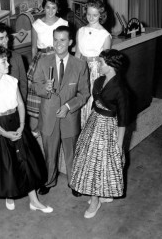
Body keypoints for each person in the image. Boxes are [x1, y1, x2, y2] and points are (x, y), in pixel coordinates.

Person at [0, 46, 53, 213]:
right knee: (7, 163)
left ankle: (34, 201)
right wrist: (4, 132)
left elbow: (21, 104)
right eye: (4, 61)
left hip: (16, 122)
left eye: (6, 60)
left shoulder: (11, 81)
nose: (8, 64)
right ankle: (10, 193)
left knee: (27, 161)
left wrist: (23, 125)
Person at [70, 49, 130, 219]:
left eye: (101, 62)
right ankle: (101, 194)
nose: (98, 65)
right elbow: (95, 105)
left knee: (99, 164)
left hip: (109, 127)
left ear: (111, 66)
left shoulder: (120, 89)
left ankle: (95, 200)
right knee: (89, 160)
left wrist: (118, 144)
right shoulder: (98, 81)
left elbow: (123, 120)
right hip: (94, 122)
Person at [33, 25, 90, 196]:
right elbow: (36, 86)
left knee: (71, 151)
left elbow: (84, 93)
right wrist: (45, 88)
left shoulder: (80, 65)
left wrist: (68, 107)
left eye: (63, 40)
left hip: (69, 117)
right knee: (49, 152)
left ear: (70, 42)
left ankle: (74, 183)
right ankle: (48, 180)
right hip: (48, 116)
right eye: (56, 40)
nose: (58, 44)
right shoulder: (43, 61)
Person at [27, 0, 68, 135]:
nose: (50, 11)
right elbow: (33, 48)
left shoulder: (63, 23)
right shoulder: (36, 24)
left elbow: (66, 45)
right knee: (38, 96)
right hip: (41, 59)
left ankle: (55, 126)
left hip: (58, 58)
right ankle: (37, 128)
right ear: (43, 7)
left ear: (58, 9)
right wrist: (35, 67)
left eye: (54, 8)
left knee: (57, 94)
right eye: (48, 7)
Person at [75, 0, 111, 128]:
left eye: (95, 15)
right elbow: (77, 54)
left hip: (96, 69)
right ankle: (82, 129)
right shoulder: (81, 31)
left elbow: (106, 61)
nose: (91, 17)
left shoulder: (105, 35)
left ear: (101, 15)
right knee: (81, 98)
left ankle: (91, 131)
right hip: (82, 67)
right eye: (89, 14)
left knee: (92, 100)